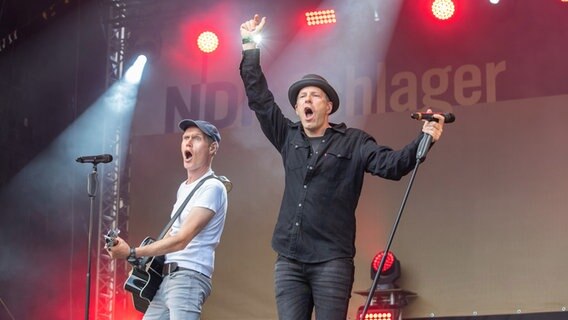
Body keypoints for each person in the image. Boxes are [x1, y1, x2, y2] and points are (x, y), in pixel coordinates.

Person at [239, 14, 445, 320]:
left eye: (315, 96)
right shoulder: (287, 136)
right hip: (289, 259)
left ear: (328, 106)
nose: (307, 100)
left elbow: (391, 165)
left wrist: (424, 140)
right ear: (297, 109)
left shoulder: (353, 141)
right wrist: (249, 46)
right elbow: (259, 99)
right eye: (301, 98)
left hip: (331, 260)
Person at [107, 119, 229, 320]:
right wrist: (140, 261)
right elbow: (171, 235)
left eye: (196, 139)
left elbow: (181, 240)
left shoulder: (212, 187)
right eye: (185, 138)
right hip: (166, 278)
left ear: (212, 148)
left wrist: (132, 252)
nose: (188, 143)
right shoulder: (185, 187)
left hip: (187, 277)